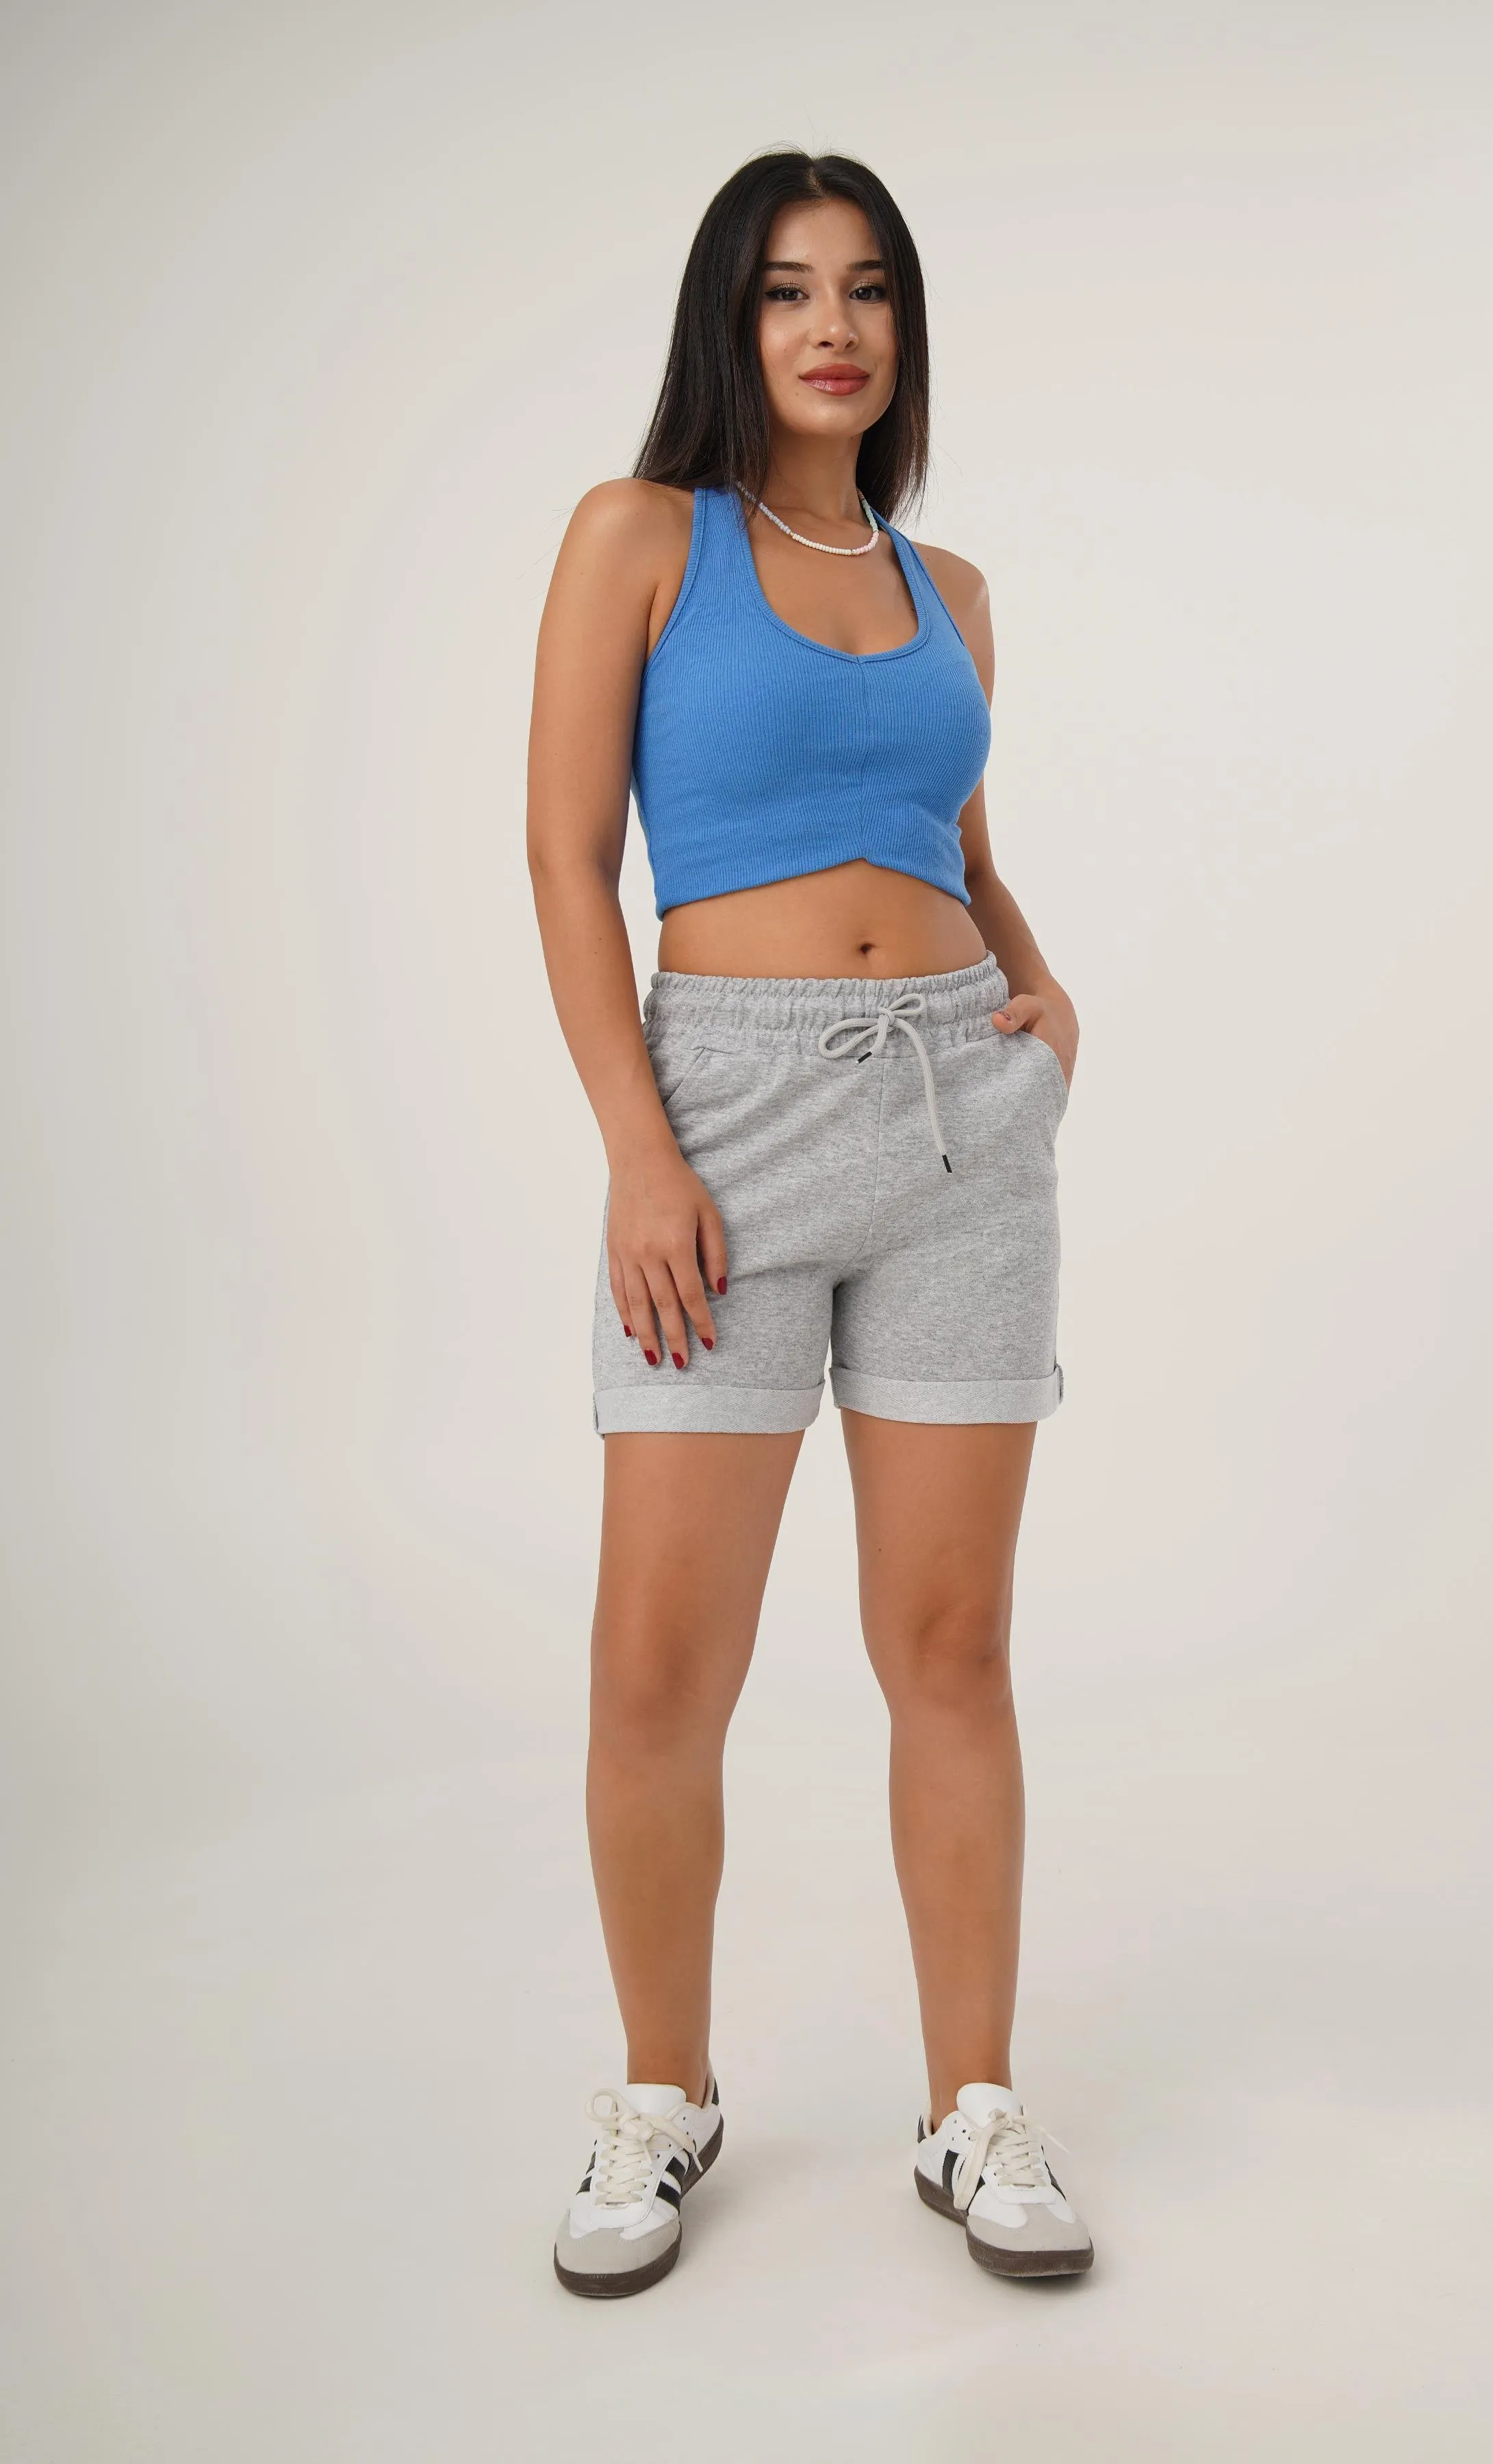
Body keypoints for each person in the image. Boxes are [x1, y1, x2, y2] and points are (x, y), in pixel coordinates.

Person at [526, 149, 1093, 2296]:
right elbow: (568, 857)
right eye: (786, 290)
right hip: (725, 1124)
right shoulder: (639, 537)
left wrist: (1040, 986)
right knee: (658, 1665)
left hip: (962, 1124)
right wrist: (638, 1149)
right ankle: (662, 2094)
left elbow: (951, 838)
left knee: (950, 1649)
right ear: (729, 320)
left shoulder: (953, 593)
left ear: (902, 328)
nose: (832, 327)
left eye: (865, 290)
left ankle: (974, 2110)